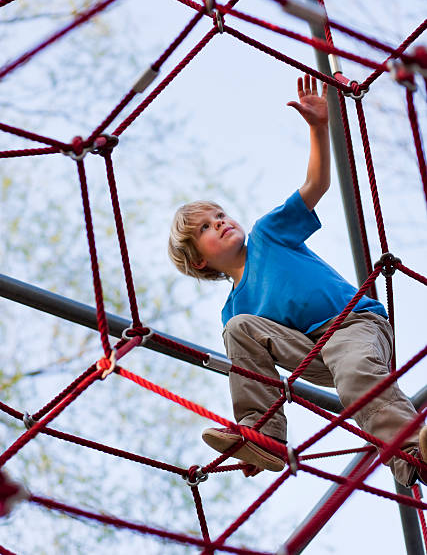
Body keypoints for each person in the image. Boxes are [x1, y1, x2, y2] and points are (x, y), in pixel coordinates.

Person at [168, 74, 426, 487]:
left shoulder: (269, 233)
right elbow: (253, 370)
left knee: (355, 369)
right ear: (199, 262)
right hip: (311, 354)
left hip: (353, 326)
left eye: (219, 216)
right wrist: (247, 452)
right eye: (205, 228)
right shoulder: (235, 309)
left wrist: (318, 127)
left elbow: (316, 184)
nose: (220, 224)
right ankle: (262, 434)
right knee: (237, 330)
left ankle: (412, 452)